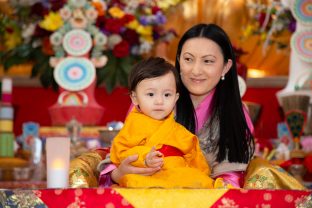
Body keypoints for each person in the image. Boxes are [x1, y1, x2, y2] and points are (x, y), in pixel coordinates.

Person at [69, 23, 305, 190]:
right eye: (188, 59)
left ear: (225, 67)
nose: (196, 70)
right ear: (178, 60)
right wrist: (120, 173)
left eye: (208, 61)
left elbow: (232, 174)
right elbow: (119, 154)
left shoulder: (236, 114)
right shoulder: (154, 101)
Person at [104, 57, 214, 188]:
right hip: (146, 175)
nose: (159, 101)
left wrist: (202, 172)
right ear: (135, 98)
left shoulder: (179, 130)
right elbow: (119, 154)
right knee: (134, 182)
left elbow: (195, 155)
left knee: (202, 181)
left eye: (167, 95)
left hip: (177, 174)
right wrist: (144, 158)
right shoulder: (133, 126)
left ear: (176, 98)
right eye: (150, 94)